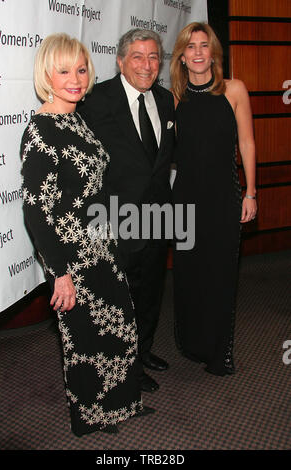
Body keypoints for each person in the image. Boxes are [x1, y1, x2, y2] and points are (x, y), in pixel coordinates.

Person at [20, 33, 152, 437]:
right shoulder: (41, 131)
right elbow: (36, 211)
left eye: (80, 69)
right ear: (47, 74)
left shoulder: (75, 117)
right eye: (64, 71)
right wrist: (59, 272)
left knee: (119, 325)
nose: (74, 79)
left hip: (101, 243)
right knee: (85, 339)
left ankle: (122, 402)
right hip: (71, 255)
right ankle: (92, 416)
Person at [79, 29, 175, 392]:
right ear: (120, 61)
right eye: (137, 56)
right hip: (115, 220)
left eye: (153, 57)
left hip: (158, 218)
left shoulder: (165, 100)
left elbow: (161, 161)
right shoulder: (97, 101)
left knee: (151, 292)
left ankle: (143, 352)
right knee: (121, 299)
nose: (146, 65)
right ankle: (123, 368)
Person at [170, 22, 257, 376]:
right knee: (190, 273)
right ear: (182, 56)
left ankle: (219, 353)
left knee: (220, 274)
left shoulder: (234, 90)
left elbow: (247, 143)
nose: (198, 53)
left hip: (224, 195)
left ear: (213, 52)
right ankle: (193, 343)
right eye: (191, 47)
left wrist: (251, 191)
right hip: (185, 198)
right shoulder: (175, 97)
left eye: (204, 46)